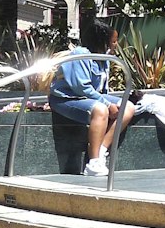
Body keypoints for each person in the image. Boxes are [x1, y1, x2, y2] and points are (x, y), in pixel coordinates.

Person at [48, 20, 136, 176]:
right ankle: (93, 163)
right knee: (100, 109)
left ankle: (101, 150)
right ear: (102, 40)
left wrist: (111, 103)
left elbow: (102, 89)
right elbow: (80, 87)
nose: (116, 45)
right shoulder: (80, 54)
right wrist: (108, 104)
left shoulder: (104, 59)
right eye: (113, 41)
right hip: (67, 98)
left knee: (128, 107)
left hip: (89, 98)